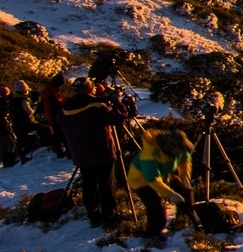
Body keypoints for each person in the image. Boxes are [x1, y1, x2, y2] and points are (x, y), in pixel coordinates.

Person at [54, 79, 121, 226]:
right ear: (91, 90)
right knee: (106, 185)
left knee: (89, 185)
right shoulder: (97, 107)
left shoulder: (64, 110)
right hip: (102, 152)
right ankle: (110, 215)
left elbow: (59, 127)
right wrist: (118, 101)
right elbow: (120, 115)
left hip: (80, 154)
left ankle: (94, 215)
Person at [125, 128, 195, 237]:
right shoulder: (149, 155)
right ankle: (153, 234)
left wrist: (184, 176)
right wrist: (169, 194)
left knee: (186, 191)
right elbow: (152, 179)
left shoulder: (179, 147)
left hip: (163, 176)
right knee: (156, 206)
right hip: (142, 182)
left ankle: (183, 220)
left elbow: (185, 159)